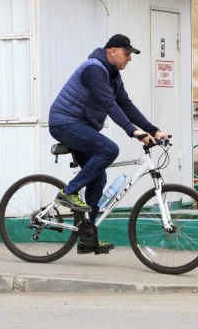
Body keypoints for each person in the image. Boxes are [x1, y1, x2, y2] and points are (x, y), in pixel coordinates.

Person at [48, 34, 169, 254]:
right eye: (126, 54)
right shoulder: (94, 70)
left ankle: (87, 237)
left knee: (98, 177)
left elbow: (125, 104)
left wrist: (153, 130)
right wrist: (133, 131)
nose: (129, 59)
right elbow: (108, 104)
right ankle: (69, 192)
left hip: (81, 125)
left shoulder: (113, 75)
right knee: (109, 149)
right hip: (64, 123)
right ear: (112, 50)